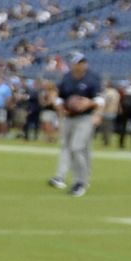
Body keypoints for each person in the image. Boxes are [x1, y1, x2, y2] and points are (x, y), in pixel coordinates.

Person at [51, 53, 100, 197]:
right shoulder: (67, 78)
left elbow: (99, 100)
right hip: (68, 117)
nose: (80, 65)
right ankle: (64, 177)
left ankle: (80, 182)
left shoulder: (92, 78)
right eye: (78, 63)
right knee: (69, 147)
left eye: (82, 62)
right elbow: (59, 96)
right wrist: (60, 108)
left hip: (85, 118)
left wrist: (90, 105)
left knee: (77, 148)